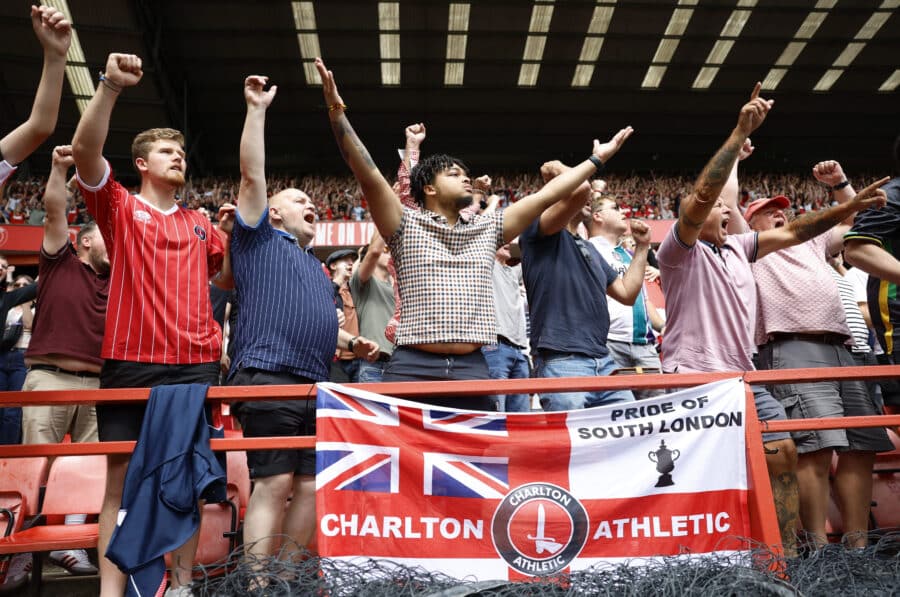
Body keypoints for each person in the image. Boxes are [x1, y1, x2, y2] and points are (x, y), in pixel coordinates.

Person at [316, 56, 633, 411]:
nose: (465, 177)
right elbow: (365, 170)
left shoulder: (488, 227)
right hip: (411, 366)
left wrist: (597, 160)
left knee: (478, 461)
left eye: (465, 173)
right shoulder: (403, 225)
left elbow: (548, 195)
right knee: (405, 462)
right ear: (429, 190)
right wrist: (335, 110)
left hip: (473, 366)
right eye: (453, 174)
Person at [656, 82, 888, 556]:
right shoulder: (678, 252)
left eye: (726, 205)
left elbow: (802, 228)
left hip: (747, 377)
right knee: (708, 462)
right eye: (713, 206)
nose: (720, 207)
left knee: (782, 449)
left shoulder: (740, 249)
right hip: (695, 377)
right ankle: (701, 551)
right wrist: (739, 132)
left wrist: (847, 205)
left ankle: (785, 558)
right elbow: (702, 195)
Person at [72, 52, 233, 597]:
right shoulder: (118, 208)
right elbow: (87, 152)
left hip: (193, 367)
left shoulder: (200, 224)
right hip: (129, 363)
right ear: (142, 163)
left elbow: (229, 279)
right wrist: (111, 87)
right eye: (167, 150)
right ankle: (111, 592)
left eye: (182, 152)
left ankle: (181, 586)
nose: (178, 157)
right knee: (119, 483)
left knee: (183, 482)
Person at [227, 75, 378, 574]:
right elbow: (252, 177)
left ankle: (285, 579)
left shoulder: (314, 268)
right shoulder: (256, 241)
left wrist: (350, 340)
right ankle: (256, 586)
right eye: (296, 199)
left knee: (312, 485)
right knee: (272, 483)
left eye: (311, 203)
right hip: (268, 378)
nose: (309, 204)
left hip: (319, 385)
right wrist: (256, 110)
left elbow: (316, 325)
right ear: (272, 212)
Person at [737, 159, 893, 549]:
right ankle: (819, 548)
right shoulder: (749, 249)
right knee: (815, 448)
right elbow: (727, 204)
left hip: (845, 349)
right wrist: (738, 156)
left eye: (781, 209)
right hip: (792, 346)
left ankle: (857, 547)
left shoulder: (814, 241)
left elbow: (860, 221)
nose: (777, 212)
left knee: (861, 447)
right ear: (749, 223)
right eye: (765, 210)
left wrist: (840, 184)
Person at [20, 146, 109, 577]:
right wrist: (59, 169)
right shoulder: (60, 262)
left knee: (88, 468)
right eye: (106, 233)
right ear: (85, 239)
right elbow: (56, 209)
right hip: (50, 378)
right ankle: (17, 547)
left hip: (98, 383)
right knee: (35, 464)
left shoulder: (122, 280)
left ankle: (70, 545)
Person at [521, 162, 648, 411]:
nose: (588, 200)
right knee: (571, 442)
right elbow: (582, 189)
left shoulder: (588, 247)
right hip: (562, 359)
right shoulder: (540, 233)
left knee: (625, 431)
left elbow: (626, 293)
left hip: (603, 359)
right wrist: (557, 168)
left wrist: (642, 247)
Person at [587, 192, 665, 398]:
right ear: (597, 216)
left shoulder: (630, 255)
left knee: (658, 411)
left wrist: (663, 326)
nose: (623, 212)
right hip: (608, 344)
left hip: (644, 344)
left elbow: (643, 299)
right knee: (616, 411)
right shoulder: (586, 249)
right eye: (615, 208)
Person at [482, 242, 531, 412]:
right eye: (503, 239)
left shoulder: (512, 272)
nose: (509, 243)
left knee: (522, 421)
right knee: (496, 414)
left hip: (520, 351)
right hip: (494, 347)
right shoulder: (487, 266)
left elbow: (533, 250)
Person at [350, 230, 396, 382]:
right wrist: (383, 216)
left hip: (398, 363)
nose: (390, 253)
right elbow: (374, 252)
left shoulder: (396, 286)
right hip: (373, 364)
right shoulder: (362, 281)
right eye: (386, 250)